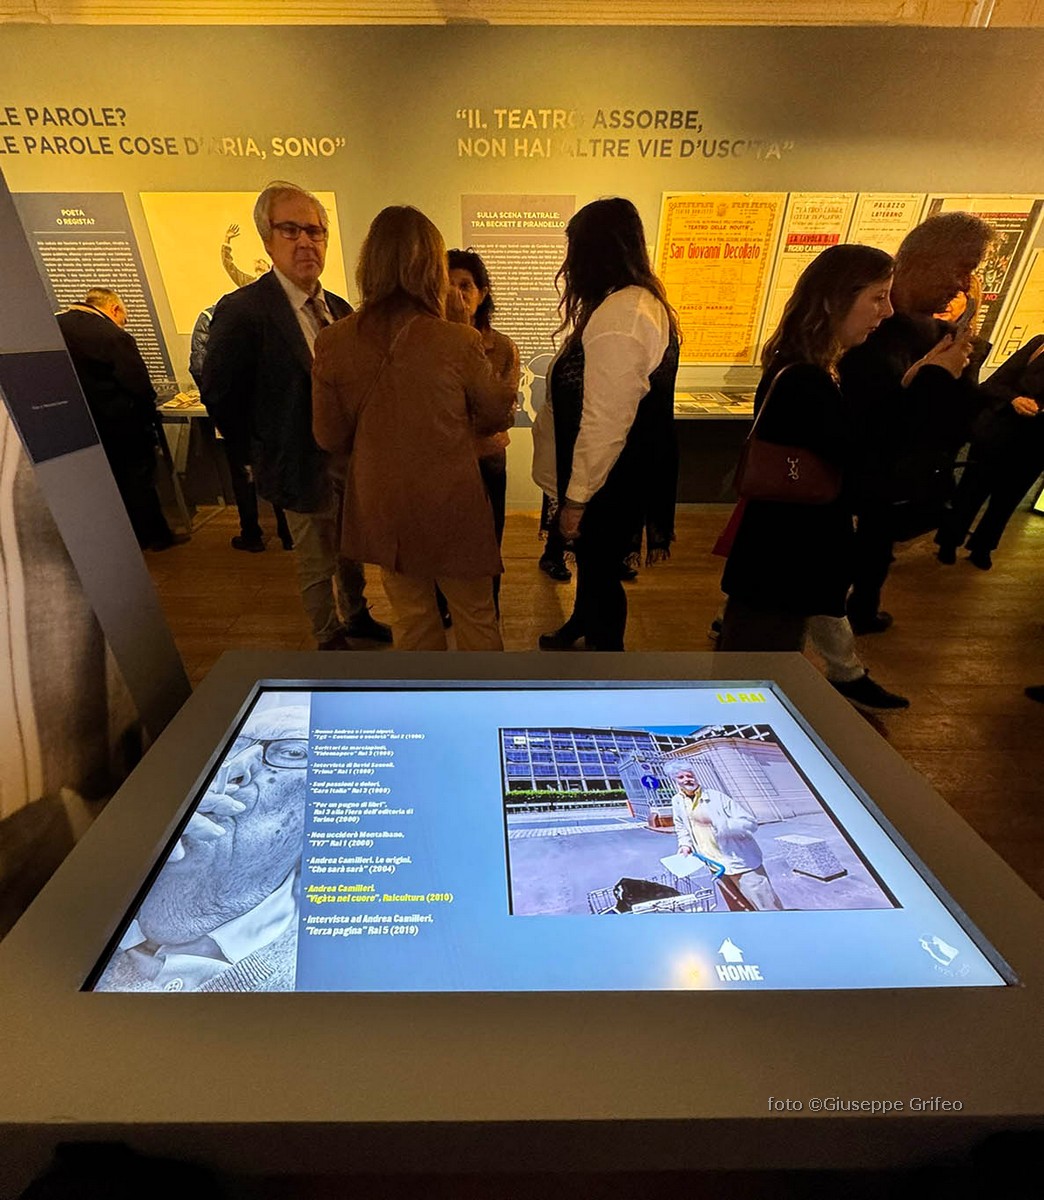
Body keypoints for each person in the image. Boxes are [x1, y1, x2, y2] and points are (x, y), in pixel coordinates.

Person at [312, 206, 516, 650]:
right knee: (475, 614)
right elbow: (496, 416)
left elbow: (328, 435)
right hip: (451, 498)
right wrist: (461, 328)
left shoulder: (333, 340)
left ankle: (424, 693)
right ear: (431, 267)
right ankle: (483, 694)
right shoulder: (457, 338)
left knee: (411, 615)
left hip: (384, 499)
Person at [718, 244, 908, 713]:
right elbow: (860, 464)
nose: (886, 311)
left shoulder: (809, 367)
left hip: (781, 553)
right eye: (877, 297)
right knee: (754, 677)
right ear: (832, 300)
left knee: (757, 664)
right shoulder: (807, 379)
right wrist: (924, 388)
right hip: (786, 557)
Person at [201, 181, 390, 649]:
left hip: (346, 463)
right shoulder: (244, 311)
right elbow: (220, 392)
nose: (306, 241)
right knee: (314, 557)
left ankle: (357, 614)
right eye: (291, 230)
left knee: (350, 548)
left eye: (315, 231)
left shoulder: (338, 308)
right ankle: (327, 635)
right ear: (267, 239)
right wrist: (253, 451)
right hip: (293, 461)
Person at [839, 212, 993, 633]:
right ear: (925, 261)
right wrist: (932, 377)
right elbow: (878, 421)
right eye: (961, 268)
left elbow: (953, 422)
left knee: (874, 547)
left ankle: (861, 609)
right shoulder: (865, 332)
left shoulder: (937, 333)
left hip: (898, 480)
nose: (963, 284)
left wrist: (962, 362)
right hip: (855, 479)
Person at [537, 197, 680, 652]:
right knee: (593, 565)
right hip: (617, 472)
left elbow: (605, 421)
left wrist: (576, 499)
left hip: (609, 479)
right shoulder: (630, 303)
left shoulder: (623, 314)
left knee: (601, 571)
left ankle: (605, 662)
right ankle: (582, 621)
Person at [95, 703, 310, 992]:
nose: (233, 768)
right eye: (230, 745)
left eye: (293, 753)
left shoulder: (326, 976)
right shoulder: (92, 879)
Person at [55, 287, 182, 551]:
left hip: (78, 425)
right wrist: (149, 416)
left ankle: (125, 538)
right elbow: (137, 384)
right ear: (114, 308)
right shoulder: (112, 335)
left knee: (108, 483)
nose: (124, 322)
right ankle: (155, 536)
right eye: (124, 317)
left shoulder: (56, 327)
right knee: (138, 479)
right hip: (123, 423)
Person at [444, 247, 521, 616]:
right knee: (443, 539)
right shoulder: (429, 344)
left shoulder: (501, 346)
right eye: (449, 285)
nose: (457, 294)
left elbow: (500, 413)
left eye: (466, 285)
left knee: (489, 541)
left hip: (486, 457)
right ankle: (445, 604)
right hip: (442, 460)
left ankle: (489, 607)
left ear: (482, 292)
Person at [935, 333, 1044, 570]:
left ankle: (983, 547)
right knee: (971, 490)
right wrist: (1015, 399)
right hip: (999, 432)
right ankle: (949, 542)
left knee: (1007, 500)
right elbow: (993, 384)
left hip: (1036, 445)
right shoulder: (1040, 344)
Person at [190, 303, 293, 553]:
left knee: (243, 476)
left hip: (235, 414)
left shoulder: (211, 317)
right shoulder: (270, 312)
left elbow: (201, 368)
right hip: (270, 414)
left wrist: (218, 408)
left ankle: (252, 534)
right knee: (276, 470)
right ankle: (288, 534)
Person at [668, 764, 783, 912]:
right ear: (675, 780)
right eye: (681, 777)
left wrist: (716, 822)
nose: (686, 779)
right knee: (739, 909)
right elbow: (681, 826)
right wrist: (685, 844)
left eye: (689, 775)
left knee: (767, 907)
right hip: (715, 866)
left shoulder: (717, 797)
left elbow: (750, 823)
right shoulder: (677, 801)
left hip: (741, 863)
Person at [221, 222, 269, 289]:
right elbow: (228, 265)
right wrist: (227, 239)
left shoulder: (277, 282)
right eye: (258, 262)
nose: (258, 263)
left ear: (268, 268)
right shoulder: (248, 283)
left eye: (262, 262)